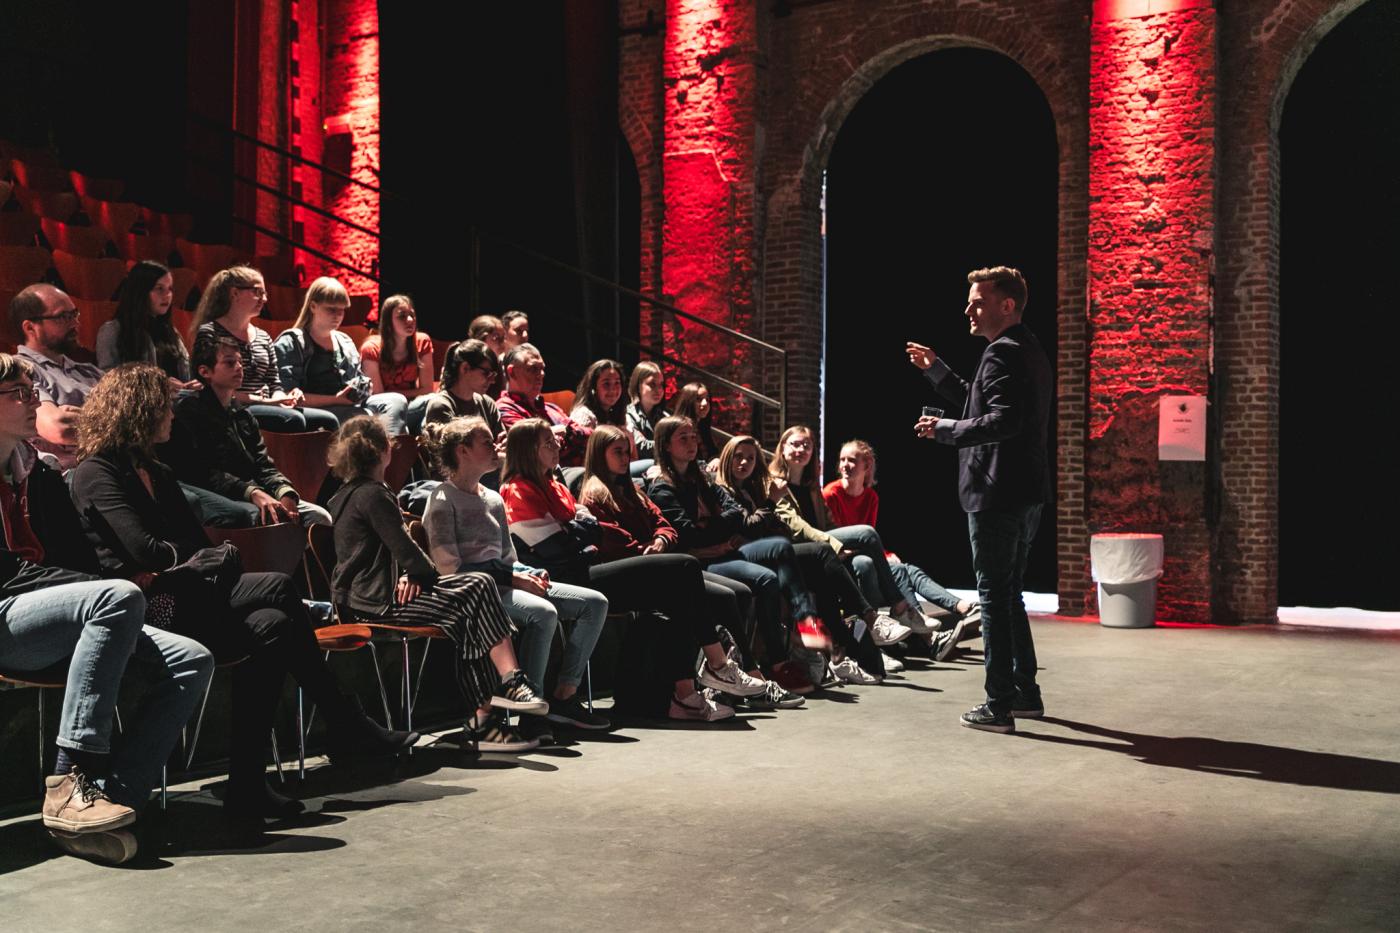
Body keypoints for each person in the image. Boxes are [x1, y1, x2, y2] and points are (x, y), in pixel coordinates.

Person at [69, 365, 416, 819]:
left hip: (183, 593)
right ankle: (344, 722)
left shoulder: (157, 470)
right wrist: (181, 561)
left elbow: (188, 548)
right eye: (164, 405)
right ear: (139, 410)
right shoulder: (98, 473)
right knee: (274, 586)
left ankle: (249, 782)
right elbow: (143, 550)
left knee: (272, 626)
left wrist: (181, 561)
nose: (173, 413)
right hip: (143, 609)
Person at [0, 352, 213, 865]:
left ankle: (115, 798)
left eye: (33, 391)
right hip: (5, 613)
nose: (36, 402)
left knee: (191, 659)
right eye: (20, 394)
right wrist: (94, 587)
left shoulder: (29, 471)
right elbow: (7, 574)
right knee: (118, 595)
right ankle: (72, 776)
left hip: (35, 612)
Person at [508, 420, 775, 719]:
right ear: (528, 450)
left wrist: (657, 540)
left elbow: (663, 526)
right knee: (685, 567)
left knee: (684, 593)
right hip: (572, 576)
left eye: (627, 451)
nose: (557, 446)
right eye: (548, 443)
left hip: (603, 564)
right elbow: (570, 545)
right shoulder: (527, 490)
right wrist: (590, 533)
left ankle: (686, 695)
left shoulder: (565, 486)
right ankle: (718, 666)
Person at [326, 416, 549, 753]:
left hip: (374, 595)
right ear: (383, 450)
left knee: (473, 606)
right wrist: (416, 573)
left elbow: (401, 556)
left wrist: (414, 573)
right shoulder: (372, 495)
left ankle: (483, 721)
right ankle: (505, 691)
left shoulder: (351, 493)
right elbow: (406, 552)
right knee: (476, 589)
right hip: (375, 602)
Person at [909, 265, 1053, 734]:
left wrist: (944, 431)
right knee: (1008, 596)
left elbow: (1000, 422)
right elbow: (981, 402)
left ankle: (999, 706)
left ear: (1005, 305)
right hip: (1025, 492)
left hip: (997, 492)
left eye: (977, 300)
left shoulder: (1000, 354)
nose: (968, 308)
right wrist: (937, 372)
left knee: (993, 597)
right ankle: (1025, 694)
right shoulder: (1024, 349)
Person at [421, 417, 610, 743]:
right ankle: (528, 713)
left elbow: (508, 557)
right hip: (474, 592)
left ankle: (564, 696)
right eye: (485, 443)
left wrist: (527, 573)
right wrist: (513, 578)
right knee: (543, 612)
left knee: (594, 603)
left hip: (504, 582)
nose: (495, 448)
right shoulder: (442, 501)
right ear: (463, 451)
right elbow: (449, 568)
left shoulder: (492, 498)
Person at [646, 416, 838, 688]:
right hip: (701, 559)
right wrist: (722, 528)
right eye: (683, 438)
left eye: (693, 436)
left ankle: (806, 622)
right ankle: (776, 663)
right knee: (767, 578)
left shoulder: (702, 480)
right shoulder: (664, 487)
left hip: (725, 550)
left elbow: (736, 513)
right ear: (666, 445)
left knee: (783, 548)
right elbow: (690, 535)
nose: (692, 443)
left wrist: (714, 525)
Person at [715, 434, 888, 685]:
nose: (744, 462)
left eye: (751, 458)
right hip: (744, 553)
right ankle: (850, 624)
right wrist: (771, 502)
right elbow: (750, 526)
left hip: (768, 549)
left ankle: (843, 646)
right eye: (739, 457)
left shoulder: (756, 488)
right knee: (818, 550)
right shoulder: (722, 489)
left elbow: (777, 524)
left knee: (821, 569)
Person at [822, 438, 982, 659]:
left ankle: (957, 612)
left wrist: (886, 555)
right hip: (848, 568)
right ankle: (930, 635)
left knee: (905, 569)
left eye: (851, 460)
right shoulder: (831, 494)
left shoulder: (871, 497)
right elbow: (839, 544)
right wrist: (878, 555)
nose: (844, 465)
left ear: (866, 466)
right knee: (880, 566)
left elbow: (870, 541)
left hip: (865, 561)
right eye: (842, 460)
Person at [766, 425, 919, 647]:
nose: (801, 450)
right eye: (795, 444)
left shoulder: (811, 486)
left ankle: (876, 639)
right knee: (866, 533)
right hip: (798, 548)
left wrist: (843, 546)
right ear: (783, 448)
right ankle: (897, 607)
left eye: (806, 446)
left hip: (822, 543)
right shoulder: (775, 482)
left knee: (865, 562)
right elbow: (797, 527)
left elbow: (829, 523)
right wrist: (835, 545)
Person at [163, 334, 333, 527]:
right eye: (229, 363)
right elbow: (203, 473)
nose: (239, 368)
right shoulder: (190, 413)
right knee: (262, 519)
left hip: (255, 491)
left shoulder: (242, 414)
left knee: (319, 517)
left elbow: (263, 465)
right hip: (228, 496)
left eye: (240, 362)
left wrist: (284, 492)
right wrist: (251, 492)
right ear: (205, 371)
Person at [191, 265, 339, 433]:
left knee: (329, 420)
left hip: (265, 404)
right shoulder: (210, 332)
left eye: (265, 293)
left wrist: (283, 398)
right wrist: (266, 402)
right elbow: (208, 387)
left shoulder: (263, 336)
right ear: (235, 293)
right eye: (257, 292)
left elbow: (274, 383)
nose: (264, 298)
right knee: (293, 420)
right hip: (232, 406)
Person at [272, 276, 410, 434]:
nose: (338, 315)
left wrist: (363, 388)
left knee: (396, 401)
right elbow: (287, 396)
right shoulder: (293, 341)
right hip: (318, 409)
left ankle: (388, 450)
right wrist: (335, 400)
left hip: (350, 406)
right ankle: (385, 451)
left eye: (342, 310)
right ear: (313, 306)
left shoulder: (344, 341)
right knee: (364, 418)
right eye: (331, 309)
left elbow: (356, 380)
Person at [9, 283, 103, 468]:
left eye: (74, 314)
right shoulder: (19, 369)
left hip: (115, 467)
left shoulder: (89, 371)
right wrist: (125, 421)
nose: (76, 323)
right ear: (30, 328)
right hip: (72, 478)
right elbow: (59, 428)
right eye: (63, 317)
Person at [95, 260, 196, 390]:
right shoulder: (112, 330)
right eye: (159, 288)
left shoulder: (170, 331)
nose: (167, 295)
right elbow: (108, 380)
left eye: (170, 289)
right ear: (140, 291)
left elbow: (185, 373)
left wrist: (190, 386)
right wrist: (157, 385)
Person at [496, 343, 592, 467]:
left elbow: (590, 436)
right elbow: (535, 448)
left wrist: (565, 432)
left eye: (542, 368)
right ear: (512, 372)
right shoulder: (504, 409)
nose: (541, 374)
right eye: (533, 368)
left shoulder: (551, 408)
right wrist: (568, 434)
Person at [359, 294, 436, 435]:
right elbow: (379, 395)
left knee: (429, 416)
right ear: (388, 322)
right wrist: (408, 395)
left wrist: (408, 396)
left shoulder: (422, 342)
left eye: (412, 315)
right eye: (402, 316)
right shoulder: (371, 348)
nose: (410, 320)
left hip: (413, 406)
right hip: (383, 410)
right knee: (430, 403)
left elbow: (427, 389)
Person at [420, 339, 503, 435]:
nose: (492, 381)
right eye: (486, 373)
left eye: (493, 375)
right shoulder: (441, 406)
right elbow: (449, 449)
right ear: (465, 368)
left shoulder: (487, 404)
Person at [670, 381, 719, 465]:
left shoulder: (702, 428)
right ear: (688, 402)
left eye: (707, 399)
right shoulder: (676, 428)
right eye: (698, 399)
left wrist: (716, 460)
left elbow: (712, 453)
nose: (705, 403)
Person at [624, 361, 666, 459]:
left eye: (661, 385)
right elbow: (640, 447)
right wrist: (670, 446)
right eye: (652, 384)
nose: (658, 390)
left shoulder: (664, 416)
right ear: (638, 385)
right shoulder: (628, 415)